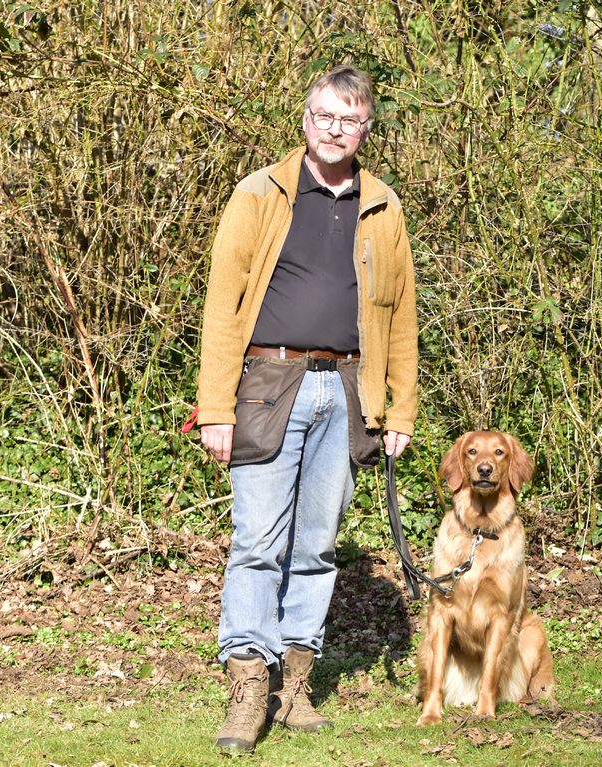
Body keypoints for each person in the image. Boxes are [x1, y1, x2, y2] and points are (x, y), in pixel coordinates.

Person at [193, 64, 418, 753]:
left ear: (366, 128)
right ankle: (247, 689)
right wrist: (215, 407)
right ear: (305, 118)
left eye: (349, 120)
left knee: (317, 545)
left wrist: (400, 411)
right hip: (268, 382)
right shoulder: (259, 193)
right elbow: (222, 307)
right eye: (325, 115)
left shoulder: (384, 207)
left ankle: (293, 684)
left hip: (347, 390)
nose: (334, 129)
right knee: (258, 542)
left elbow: (401, 317)